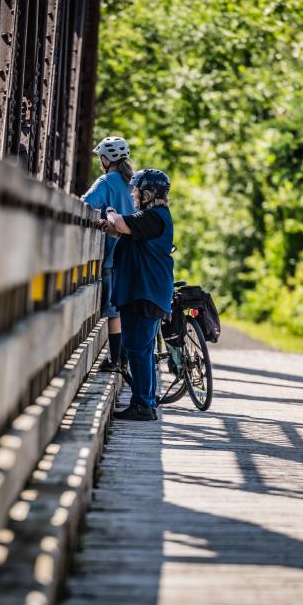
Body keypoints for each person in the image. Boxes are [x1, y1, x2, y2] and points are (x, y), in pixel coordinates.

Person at [99, 169, 174, 421]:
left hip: (145, 292)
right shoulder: (152, 218)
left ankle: (143, 404)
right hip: (146, 291)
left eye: (136, 190)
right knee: (142, 348)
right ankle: (146, 401)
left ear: (148, 193)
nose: (132, 194)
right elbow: (123, 231)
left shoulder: (153, 217)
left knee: (137, 349)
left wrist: (109, 212)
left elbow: (121, 223)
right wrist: (111, 227)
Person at [82, 136, 136, 372]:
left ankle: (116, 360)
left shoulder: (106, 182)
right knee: (127, 305)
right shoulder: (132, 183)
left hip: (114, 253)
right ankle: (123, 358)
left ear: (106, 159)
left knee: (114, 309)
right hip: (136, 252)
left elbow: (85, 203)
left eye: (100, 157)